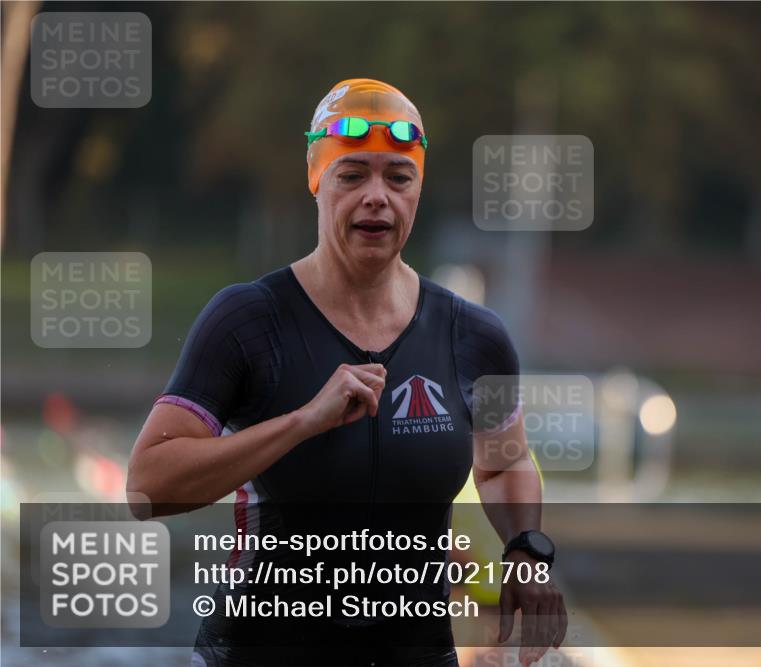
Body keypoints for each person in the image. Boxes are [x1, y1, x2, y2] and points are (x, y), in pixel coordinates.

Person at [127, 78, 567, 667]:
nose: (376, 197)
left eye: (398, 178)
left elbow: (505, 462)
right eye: (352, 175)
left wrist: (525, 550)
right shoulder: (248, 321)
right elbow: (148, 487)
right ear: (317, 179)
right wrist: (303, 422)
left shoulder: (473, 337)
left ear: (418, 189)